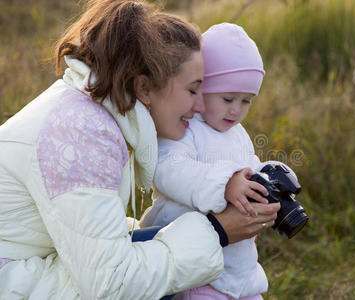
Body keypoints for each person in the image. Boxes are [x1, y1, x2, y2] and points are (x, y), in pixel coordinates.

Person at [0, 1, 280, 299]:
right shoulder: (78, 134)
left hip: (22, 267)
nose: (200, 106)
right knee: (159, 265)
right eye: (192, 89)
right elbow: (110, 283)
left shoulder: (92, 113)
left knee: (158, 249)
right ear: (145, 88)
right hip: (11, 279)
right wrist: (218, 231)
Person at [140, 23, 295, 300]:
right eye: (227, 98)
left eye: (247, 101)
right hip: (198, 272)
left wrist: (266, 182)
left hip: (242, 270)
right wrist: (226, 184)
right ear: (201, 88)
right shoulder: (184, 126)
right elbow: (169, 168)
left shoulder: (238, 134)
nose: (236, 110)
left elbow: (247, 168)